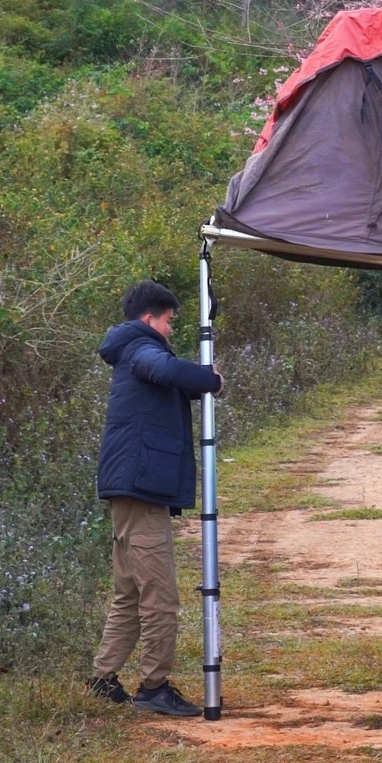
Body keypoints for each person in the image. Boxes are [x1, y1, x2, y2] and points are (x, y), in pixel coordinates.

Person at [88, 279, 222, 715]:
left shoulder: (131, 351)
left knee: (128, 592)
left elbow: (164, 382)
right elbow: (164, 370)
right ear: (150, 319)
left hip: (130, 488)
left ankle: (103, 678)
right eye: (167, 321)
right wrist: (210, 379)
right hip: (140, 490)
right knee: (159, 595)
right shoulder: (143, 349)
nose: (170, 329)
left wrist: (196, 384)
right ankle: (153, 687)